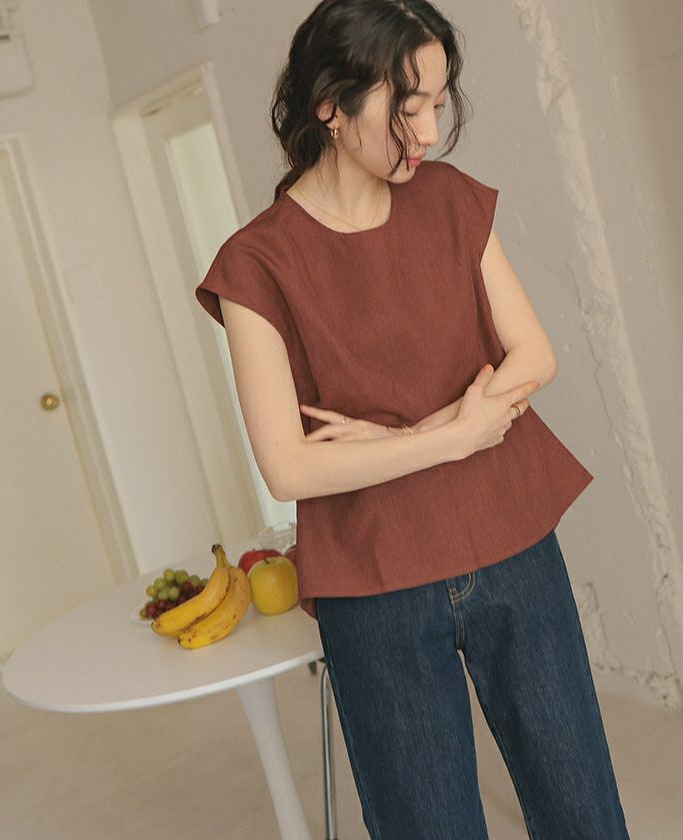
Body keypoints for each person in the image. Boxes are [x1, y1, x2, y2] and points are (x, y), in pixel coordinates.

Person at [195, 1, 631, 837]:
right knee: (426, 824)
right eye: (406, 107)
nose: (429, 131)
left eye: (436, 102)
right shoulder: (255, 264)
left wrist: (403, 441)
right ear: (330, 104)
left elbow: (534, 356)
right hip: (375, 586)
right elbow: (288, 466)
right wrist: (454, 435)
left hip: (513, 545)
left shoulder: (452, 201)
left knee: (583, 810)